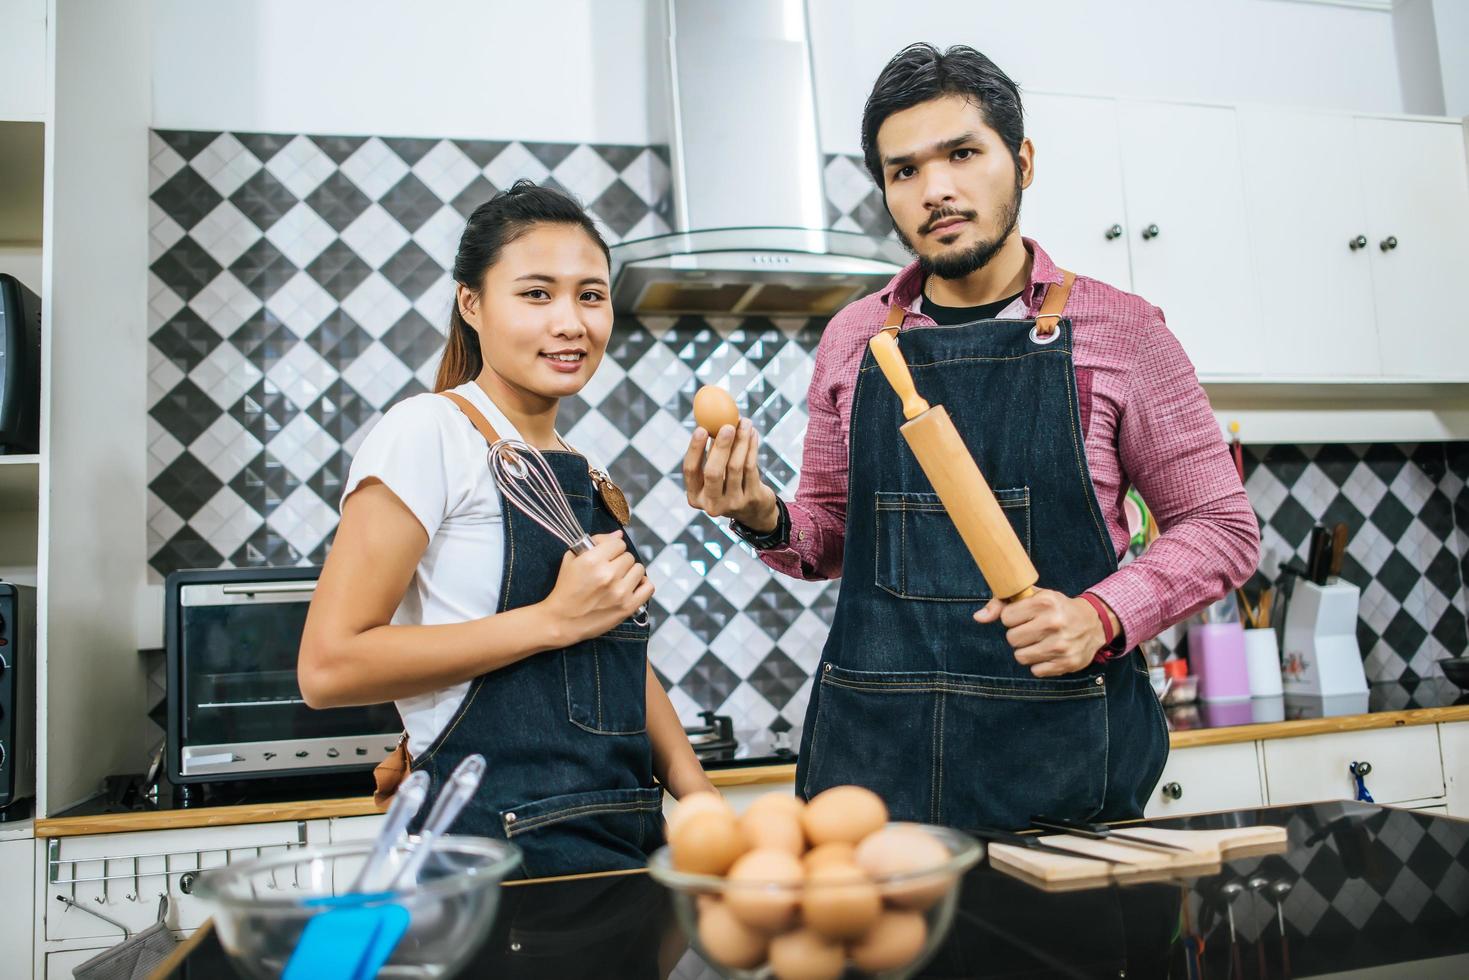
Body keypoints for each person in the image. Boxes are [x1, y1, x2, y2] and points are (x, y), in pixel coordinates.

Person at [683, 44, 1259, 828]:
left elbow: (1220, 527)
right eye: (904, 171)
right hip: (871, 765)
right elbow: (826, 538)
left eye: (961, 154)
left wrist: (1101, 614)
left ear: (1019, 160)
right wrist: (755, 513)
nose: (937, 190)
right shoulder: (853, 338)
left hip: (1058, 757)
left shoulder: (1121, 333)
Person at [300, 180, 713, 876]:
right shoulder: (427, 431)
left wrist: (697, 795)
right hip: (495, 859)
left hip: (621, 844)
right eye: (535, 294)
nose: (570, 322)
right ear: (472, 304)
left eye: (590, 295)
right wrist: (551, 618)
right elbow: (328, 667)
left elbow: (613, 659)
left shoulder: (584, 469)